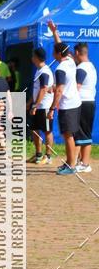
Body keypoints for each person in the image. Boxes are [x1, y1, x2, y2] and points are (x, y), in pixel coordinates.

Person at [47, 22, 81, 175]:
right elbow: (62, 46)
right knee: (69, 134)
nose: (52, 54)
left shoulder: (60, 68)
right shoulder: (70, 61)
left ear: (59, 54)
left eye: (54, 52)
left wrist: (52, 108)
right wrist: (54, 32)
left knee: (68, 135)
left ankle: (71, 166)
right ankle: (69, 162)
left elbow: (59, 91)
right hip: (75, 103)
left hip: (67, 105)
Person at [28, 47, 54, 165]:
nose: (32, 57)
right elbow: (37, 90)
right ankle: (38, 154)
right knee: (34, 130)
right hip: (38, 106)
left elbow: (43, 89)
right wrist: (30, 104)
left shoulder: (44, 71)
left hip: (44, 106)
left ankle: (48, 156)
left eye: (33, 55)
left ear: (37, 58)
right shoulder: (38, 70)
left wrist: (35, 105)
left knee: (47, 131)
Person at [73, 41, 96, 173]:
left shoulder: (81, 68)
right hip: (89, 102)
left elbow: (77, 87)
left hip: (83, 103)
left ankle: (84, 163)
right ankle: (82, 162)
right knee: (83, 133)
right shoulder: (90, 66)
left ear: (77, 53)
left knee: (83, 134)